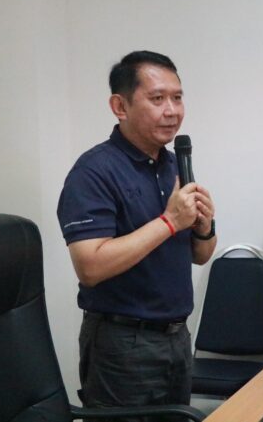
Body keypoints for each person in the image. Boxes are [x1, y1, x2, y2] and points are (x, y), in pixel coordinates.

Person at [57, 51, 217, 412]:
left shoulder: (174, 163)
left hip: (177, 337)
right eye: (157, 98)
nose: (172, 110)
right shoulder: (94, 172)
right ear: (120, 106)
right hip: (122, 344)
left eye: (177, 97)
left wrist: (204, 227)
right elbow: (90, 267)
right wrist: (169, 222)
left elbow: (201, 255)